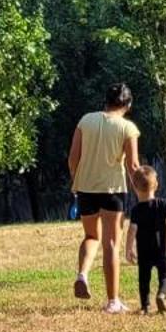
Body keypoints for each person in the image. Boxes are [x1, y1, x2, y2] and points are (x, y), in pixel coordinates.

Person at [68, 82, 143, 313]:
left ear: (106, 101)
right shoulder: (127, 128)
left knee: (91, 235)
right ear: (128, 104)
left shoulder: (85, 121)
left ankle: (83, 274)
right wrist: (144, 194)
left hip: (86, 189)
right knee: (111, 243)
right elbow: (132, 165)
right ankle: (113, 301)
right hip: (112, 191)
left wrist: (75, 181)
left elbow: (73, 158)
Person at [124, 166, 166, 316]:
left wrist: (128, 249)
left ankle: (145, 307)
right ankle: (161, 295)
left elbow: (132, 230)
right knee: (165, 276)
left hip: (144, 252)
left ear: (134, 187)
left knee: (144, 280)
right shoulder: (162, 204)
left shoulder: (136, 210)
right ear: (156, 185)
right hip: (162, 251)